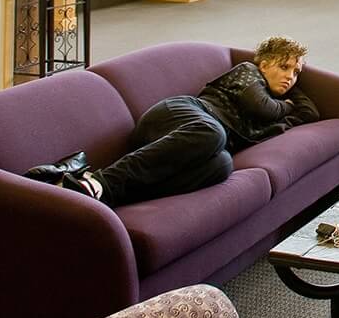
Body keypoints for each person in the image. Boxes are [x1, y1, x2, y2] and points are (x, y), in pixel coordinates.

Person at [22, 37, 318, 209]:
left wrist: (289, 86)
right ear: (263, 63)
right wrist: (286, 102)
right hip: (179, 117)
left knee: (222, 166)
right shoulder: (247, 72)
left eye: (296, 72)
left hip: (194, 147)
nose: (291, 75)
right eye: (284, 66)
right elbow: (262, 107)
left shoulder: (282, 90)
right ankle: (98, 180)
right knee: (213, 133)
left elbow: (310, 113)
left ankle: (100, 196)